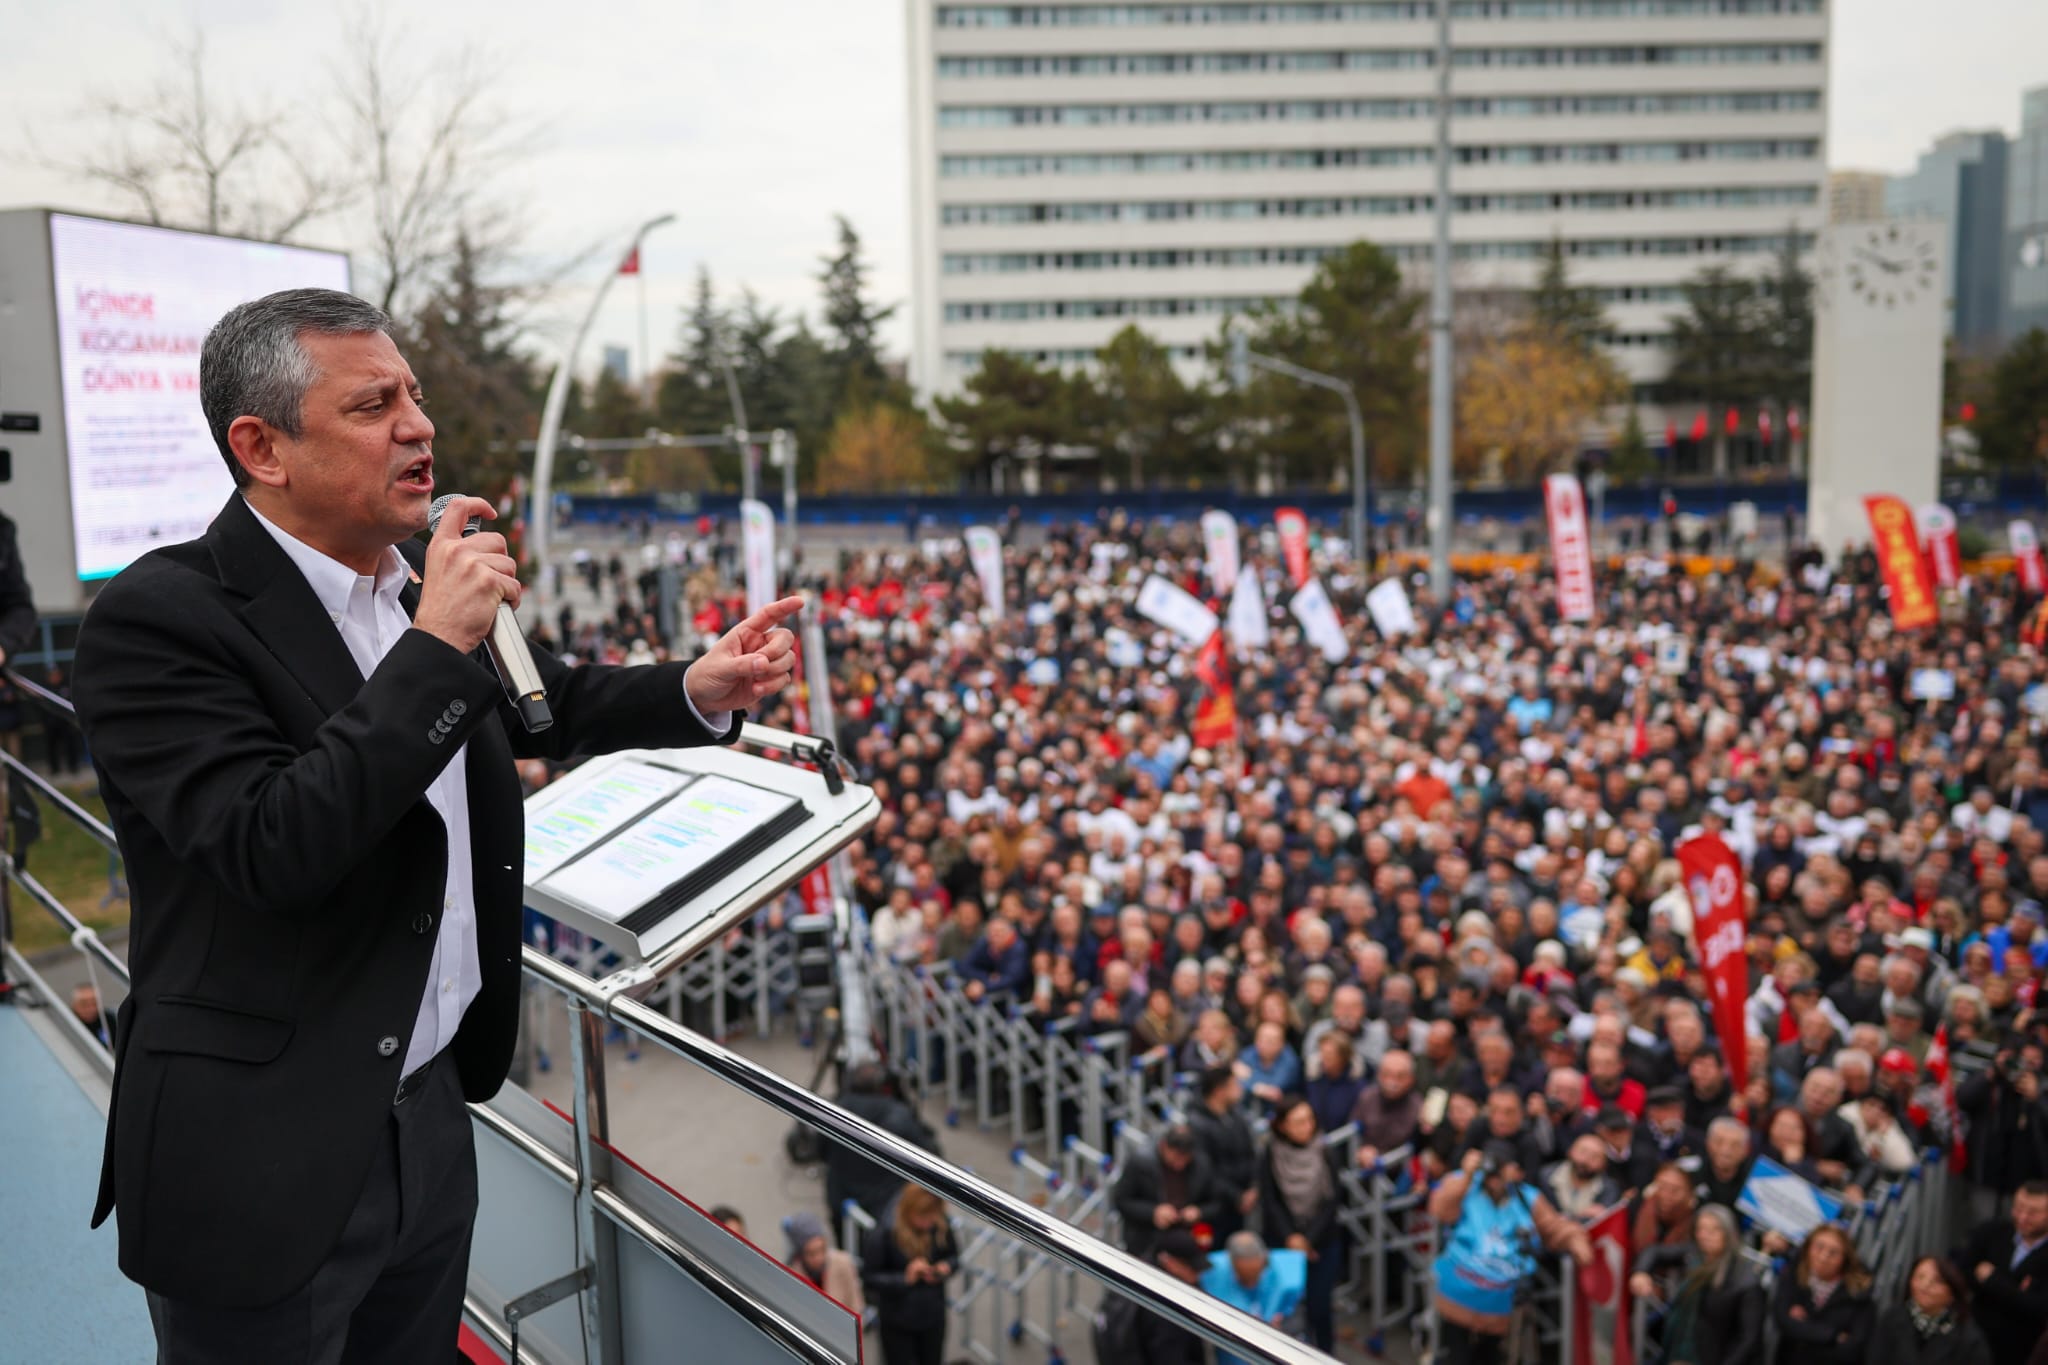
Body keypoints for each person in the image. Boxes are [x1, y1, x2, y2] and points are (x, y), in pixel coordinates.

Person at [69, 289, 803, 1360]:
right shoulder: (159, 621)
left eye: (413, 395)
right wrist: (432, 644)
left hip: (427, 1113)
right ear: (261, 447)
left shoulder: (411, 593)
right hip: (260, 1149)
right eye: (373, 406)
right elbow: (272, 845)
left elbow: (543, 697)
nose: (418, 426)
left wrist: (696, 687)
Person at [1429, 1140, 1593, 1365]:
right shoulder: (1465, 1185)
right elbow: (1441, 1210)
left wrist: (1577, 1241)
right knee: (1454, 1356)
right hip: (1459, 1296)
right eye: (1491, 1169)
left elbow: (1555, 1227)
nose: (1494, 1177)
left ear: (1516, 1171)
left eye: (1502, 1169)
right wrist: (1467, 1175)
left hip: (1501, 1302)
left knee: (1491, 1357)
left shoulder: (1527, 1197)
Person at [1255, 1095, 1346, 1353]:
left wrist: (1308, 1240)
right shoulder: (1271, 1152)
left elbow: (1332, 1200)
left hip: (1322, 1241)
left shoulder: (1325, 1150)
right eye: (1298, 1122)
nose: (1306, 1127)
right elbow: (1270, 1201)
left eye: (1309, 1120)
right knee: (1286, 1307)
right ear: (1282, 1125)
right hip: (1283, 1240)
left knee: (1319, 1307)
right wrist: (1291, 1238)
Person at [1630, 1204, 1765, 1365]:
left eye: (1714, 1230)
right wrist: (1641, 1272)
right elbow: (1655, 1251)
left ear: (1729, 1234)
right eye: (1701, 1229)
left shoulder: (1745, 1280)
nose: (1705, 1236)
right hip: (1676, 1348)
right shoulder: (1694, 1254)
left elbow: (1748, 1339)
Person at [827, 1063, 943, 1241]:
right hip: (885, 1205)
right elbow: (929, 1156)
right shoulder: (899, 1114)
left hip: (842, 1199)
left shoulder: (833, 1110)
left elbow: (821, 1150)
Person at [1950, 1180, 2048, 1361]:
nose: (2023, 1217)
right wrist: (2017, 1292)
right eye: (2018, 1208)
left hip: (2024, 1350)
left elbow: (2039, 1308)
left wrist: (1993, 1280)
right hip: (1978, 1339)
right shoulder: (1991, 1232)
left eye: (2033, 1213)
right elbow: (1962, 1274)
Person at [862, 1184, 959, 1365]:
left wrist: (945, 1267)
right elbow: (869, 1278)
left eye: (932, 1216)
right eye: (922, 1217)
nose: (927, 1223)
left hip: (933, 1316)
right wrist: (905, 1278)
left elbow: (954, 1257)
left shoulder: (939, 1224)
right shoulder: (885, 1232)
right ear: (909, 1211)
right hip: (898, 1321)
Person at [1094, 1227, 1209, 1365]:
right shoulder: (1165, 1309)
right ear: (1169, 1261)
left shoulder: (1136, 1276)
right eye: (1191, 1267)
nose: (1197, 1275)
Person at [1113, 1125, 1223, 1260]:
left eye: (1185, 1159)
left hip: (1188, 1234)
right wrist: (1153, 1212)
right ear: (1163, 1146)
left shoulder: (1201, 1164)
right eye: (1176, 1157)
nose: (1180, 1165)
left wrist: (1199, 1212)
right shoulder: (1140, 1163)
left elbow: (1216, 1203)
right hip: (1147, 1236)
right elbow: (1121, 1201)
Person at [1769, 1224, 1874, 1365]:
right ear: (1807, 1248)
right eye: (1819, 1247)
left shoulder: (1859, 1293)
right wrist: (1834, 1335)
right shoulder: (1792, 1274)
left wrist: (1804, 1328)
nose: (1824, 1257)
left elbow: (1852, 1349)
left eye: (1834, 1252)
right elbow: (1782, 1320)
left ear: (1845, 1258)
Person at [1199, 1230, 1306, 1365]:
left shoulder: (1285, 1277)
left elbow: (1298, 1323)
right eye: (1244, 1277)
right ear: (1231, 1264)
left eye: (1256, 1275)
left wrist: (1282, 1327)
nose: (1251, 1283)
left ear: (1264, 1260)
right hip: (1234, 1353)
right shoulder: (1213, 1273)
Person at [1868, 1256, 1992, 1365]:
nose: (1925, 1285)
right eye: (1920, 1277)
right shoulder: (1892, 1320)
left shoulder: (1968, 1337)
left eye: (1936, 1281)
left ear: (1952, 1293)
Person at [1187, 1065, 1259, 1239]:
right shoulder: (1197, 1125)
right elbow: (1207, 1170)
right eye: (1235, 1084)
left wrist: (1253, 1188)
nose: (1240, 1088)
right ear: (1220, 1091)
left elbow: (1250, 1155)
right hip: (1214, 1208)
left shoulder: (1237, 1117)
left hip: (1240, 1204)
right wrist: (1236, 1196)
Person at [783, 1210, 865, 1320]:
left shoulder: (843, 1262)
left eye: (821, 1250)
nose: (818, 1258)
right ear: (801, 1254)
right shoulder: (791, 1275)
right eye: (811, 1253)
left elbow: (856, 1305)